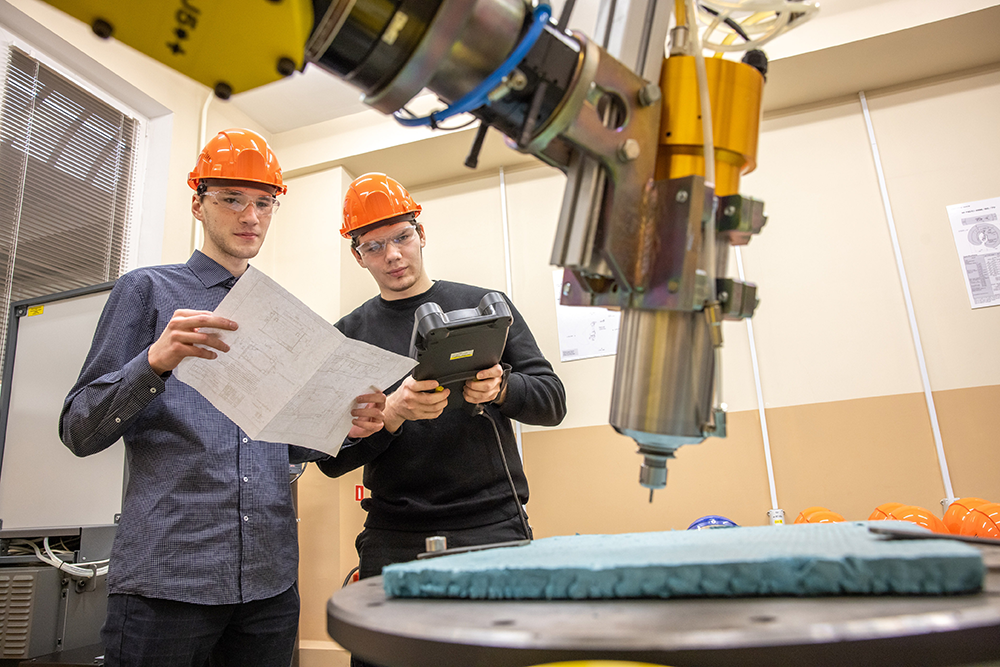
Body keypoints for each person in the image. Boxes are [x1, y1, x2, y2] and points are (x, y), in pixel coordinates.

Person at [59, 129, 385, 667]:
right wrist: (154, 361)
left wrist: (341, 426)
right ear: (198, 204)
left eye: (263, 203)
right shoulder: (147, 291)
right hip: (168, 580)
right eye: (232, 199)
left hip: (268, 585)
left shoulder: (281, 312)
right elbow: (79, 429)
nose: (250, 216)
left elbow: (281, 443)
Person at [319, 173, 566, 664]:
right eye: (374, 246)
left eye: (402, 237)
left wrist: (501, 388)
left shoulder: (485, 307)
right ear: (358, 255)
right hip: (394, 538)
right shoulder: (346, 337)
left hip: (493, 530)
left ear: (421, 233)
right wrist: (391, 414)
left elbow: (552, 400)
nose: (393, 255)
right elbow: (329, 457)